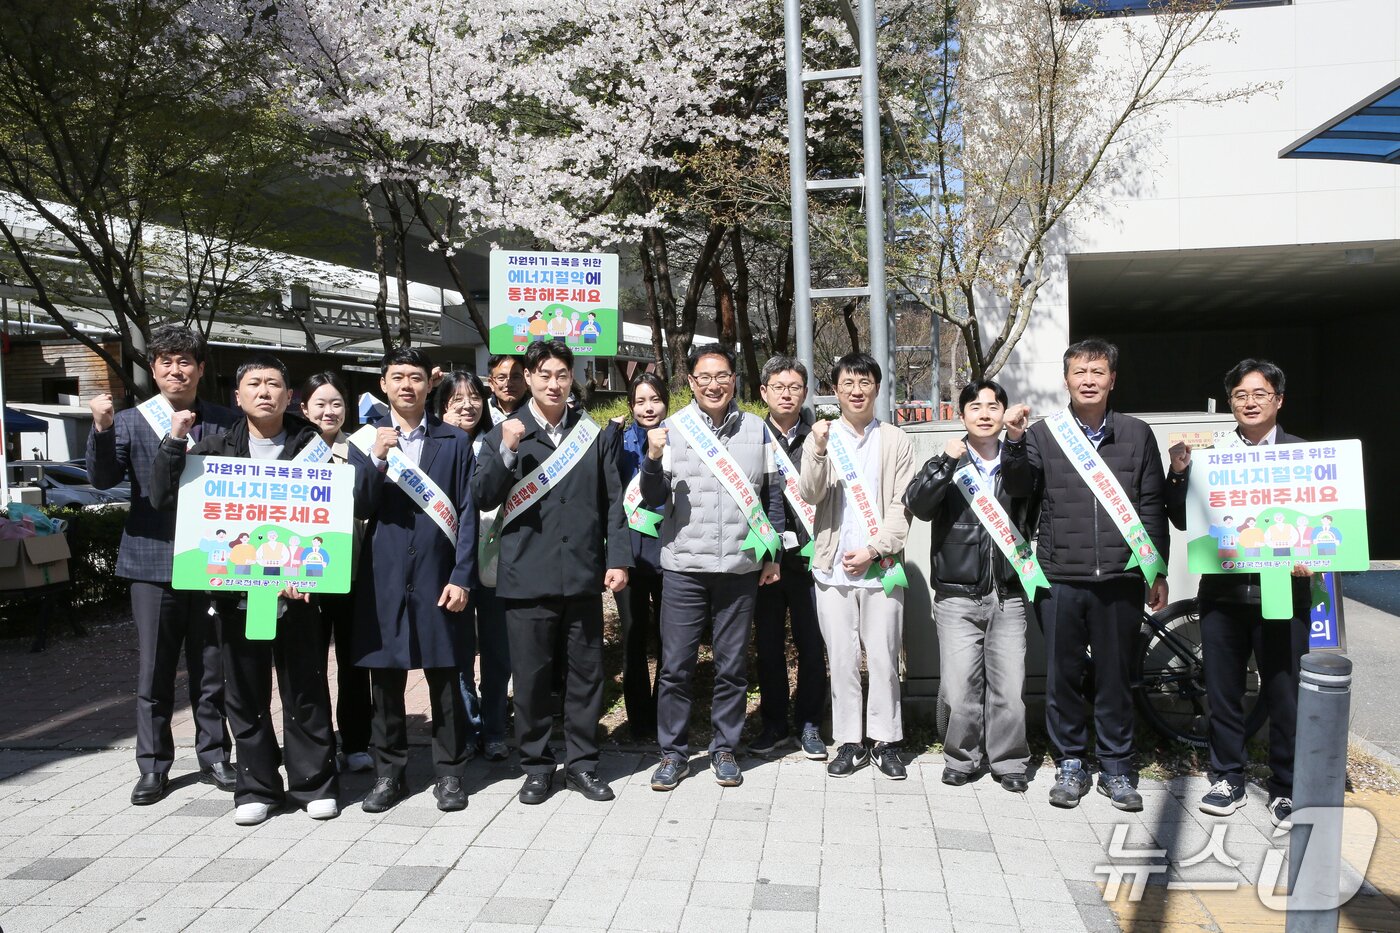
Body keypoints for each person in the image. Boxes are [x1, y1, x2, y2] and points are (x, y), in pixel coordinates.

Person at [150, 354, 339, 825]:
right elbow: (162, 496)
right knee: (244, 692)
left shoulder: (313, 444)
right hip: (236, 597)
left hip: (298, 595)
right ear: (238, 396)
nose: (264, 392)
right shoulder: (213, 447)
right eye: (253, 384)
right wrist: (175, 440)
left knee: (305, 689)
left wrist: (316, 574)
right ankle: (256, 786)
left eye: (274, 384)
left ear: (290, 396)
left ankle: (313, 783)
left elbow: (332, 518)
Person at [1001, 338, 1170, 813]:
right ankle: (1071, 763)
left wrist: (1157, 569)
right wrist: (1014, 442)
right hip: (1059, 577)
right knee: (1064, 677)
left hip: (1121, 577)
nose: (1089, 380)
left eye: (1098, 372)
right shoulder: (1044, 435)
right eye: (1080, 372)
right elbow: (1018, 488)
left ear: (1113, 379)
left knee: (1116, 675)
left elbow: (1152, 505)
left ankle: (1117, 767)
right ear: (1067, 380)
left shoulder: (1137, 434)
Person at [85, 323, 237, 806]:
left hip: (213, 561)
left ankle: (214, 755)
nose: (176, 370)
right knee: (154, 670)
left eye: (185, 361)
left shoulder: (224, 420)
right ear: (153, 369)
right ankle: (153, 767)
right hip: (151, 563)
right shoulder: (130, 421)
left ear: (200, 369)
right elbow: (103, 478)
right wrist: (103, 429)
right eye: (166, 362)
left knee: (211, 667)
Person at [473, 341, 630, 804]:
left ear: (572, 377)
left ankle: (582, 764)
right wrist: (504, 452)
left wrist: (617, 559)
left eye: (562, 374)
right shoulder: (505, 432)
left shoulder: (592, 434)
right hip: (526, 577)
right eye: (544, 374)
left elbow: (613, 502)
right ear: (529, 377)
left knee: (586, 676)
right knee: (532, 678)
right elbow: (482, 496)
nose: (554, 383)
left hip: (582, 575)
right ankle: (537, 766)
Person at [1166, 358, 1310, 830]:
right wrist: (1182, 473)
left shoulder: (1303, 455)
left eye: (1259, 394)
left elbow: (1330, 524)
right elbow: (1186, 520)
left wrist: (1314, 558)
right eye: (1240, 396)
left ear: (1279, 400)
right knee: (1224, 690)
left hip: (1283, 591)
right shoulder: (1214, 456)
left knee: (1284, 692)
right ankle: (1227, 775)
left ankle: (1286, 786)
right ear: (1230, 404)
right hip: (1224, 593)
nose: (1249, 403)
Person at [640, 345, 784, 791]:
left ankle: (725, 749)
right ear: (691, 382)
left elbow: (772, 497)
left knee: (731, 667)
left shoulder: (759, 430)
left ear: (734, 380)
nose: (713, 384)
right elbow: (649, 500)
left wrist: (772, 555)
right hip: (684, 566)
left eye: (721, 376)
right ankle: (673, 754)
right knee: (676, 666)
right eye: (704, 377)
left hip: (740, 568)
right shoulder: (670, 430)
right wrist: (650, 458)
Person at [349, 346, 477, 814]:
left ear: (430, 385)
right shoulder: (363, 443)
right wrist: (378, 460)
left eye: (416, 377)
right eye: (397, 376)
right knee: (384, 684)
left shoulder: (454, 441)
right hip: (382, 579)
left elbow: (466, 513)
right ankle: (389, 775)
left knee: (445, 679)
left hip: (438, 576)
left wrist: (463, 576)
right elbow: (359, 506)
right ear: (383, 384)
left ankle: (450, 774)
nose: (407, 384)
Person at [904, 379, 1035, 792]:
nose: (984, 413)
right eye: (974, 407)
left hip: (1008, 593)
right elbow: (919, 506)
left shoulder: (1019, 459)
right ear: (961, 415)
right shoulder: (951, 461)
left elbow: (1026, 489)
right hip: (957, 596)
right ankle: (962, 757)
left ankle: (1010, 761)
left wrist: (1015, 443)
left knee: (1009, 690)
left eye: (993, 406)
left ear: (1003, 413)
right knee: (960, 690)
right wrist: (944, 460)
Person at [797, 353, 916, 780]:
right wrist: (816, 448)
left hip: (881, 568)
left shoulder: (897, 440)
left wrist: (875, 548)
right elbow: (809, 494)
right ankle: (849, 741)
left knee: (884, 657)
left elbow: (904, 507)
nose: (856, 390)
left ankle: (885, 741)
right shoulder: (824, 437)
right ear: (835, 389)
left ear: (877, 388)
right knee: (842, 657)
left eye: (865, 382)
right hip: (831, 569)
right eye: (848, 382)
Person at [751, 356, 828, 760]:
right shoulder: (750, 434)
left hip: (810, 557)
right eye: (778, 387)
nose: (786, 393)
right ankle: (774, 723)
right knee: (768, 646)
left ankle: (811, 723)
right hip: (765, 559)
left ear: (804, 392)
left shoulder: (821, 435)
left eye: (794, 386)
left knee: (812, 644)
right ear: (763, 392)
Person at [437, 370, 512, 762]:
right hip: (453, 571)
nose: (467, 406)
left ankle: (496, 729)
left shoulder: (498, 441)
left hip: (498, 562)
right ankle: (468, 728)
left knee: (499, 654)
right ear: (442, 406)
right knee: (460, 654)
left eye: (474, 397)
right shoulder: (434, 447)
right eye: (455, 400)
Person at [301, 371, 373, 774]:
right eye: (320, 404)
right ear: (304, 409)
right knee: (308, 665)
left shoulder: (359, 449)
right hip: (304, 579)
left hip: (351, 574)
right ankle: (315, 744)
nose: (329, 411)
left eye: (337, 404)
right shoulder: (292, 450)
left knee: (353, 663)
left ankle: (357, 741)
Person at [605, 371, 670, 742]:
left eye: (655, 399)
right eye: (640, 401)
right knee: (632, 637)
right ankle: (638, 720)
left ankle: (663, 713)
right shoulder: (618, 439)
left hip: (669, 551)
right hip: (628, 553)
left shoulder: (679, 437)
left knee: (668, 638)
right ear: (631, 406)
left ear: (666, 401)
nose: (648, 407)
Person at [486, 354, 527, 426]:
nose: (509, 384)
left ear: (526, 380)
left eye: (516, 377)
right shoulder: (483, 411)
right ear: (491, 383)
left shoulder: (537, 411)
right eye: (501, 378)